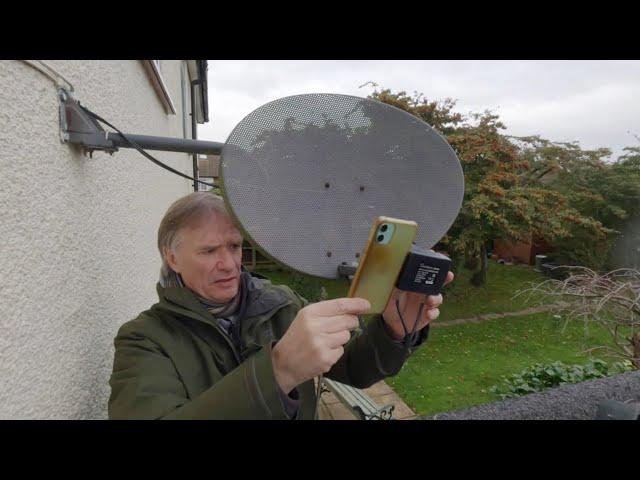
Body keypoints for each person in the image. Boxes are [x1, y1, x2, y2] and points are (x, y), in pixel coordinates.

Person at [108, 192, 453, 419]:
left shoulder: (280, 303)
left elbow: (351, 369)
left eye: (233, 246)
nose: (229, 263)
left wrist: (394, 330)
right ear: (172, 257)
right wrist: (277, 371)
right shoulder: (143, 340)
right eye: (209, 251)